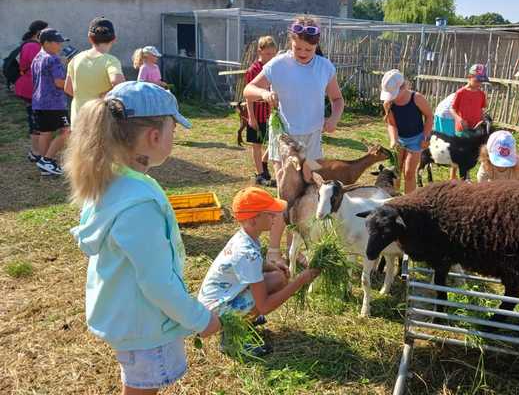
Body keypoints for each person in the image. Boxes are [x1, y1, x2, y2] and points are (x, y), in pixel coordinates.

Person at [66, 81, 220, 394]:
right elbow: (157, 282)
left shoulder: (110, 180)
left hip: (128, 315)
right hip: (146, 325)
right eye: (173, 131)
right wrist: (200, 319)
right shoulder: (139, 203)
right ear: (153, 136)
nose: (173, 138)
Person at [243, 15, 344, 263]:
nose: (302, 52)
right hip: (285, 140)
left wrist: (333, 119)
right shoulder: (278, 64)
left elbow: (337, 100)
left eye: (308, 49)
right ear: (291, 40)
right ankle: (275, 252)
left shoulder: (324, 67)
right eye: (297, 47)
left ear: (316, 45)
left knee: (309, 195)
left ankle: (297, 251)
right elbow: (248, 90)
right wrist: (265, 94)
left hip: (312, 139)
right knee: (285, 198)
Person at [197, 187, 319, 355]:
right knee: (263, 296)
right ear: (253, 220)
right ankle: (232, 339)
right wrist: (300, 281)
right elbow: (265, 306)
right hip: (212, 316)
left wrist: (273, 266)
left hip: (218, 302)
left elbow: (256, 265)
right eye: (270, 213)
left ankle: (244, 320)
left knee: (278, 277)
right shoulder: (247, 254)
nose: (276, 216)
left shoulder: (246, 237)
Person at [65, 17, 125, 128]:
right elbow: (119, 83)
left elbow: (68, 88)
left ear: (90, 38)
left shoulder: (76, 59)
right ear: (114, 39)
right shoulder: (110, 60)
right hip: (100, 119)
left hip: (78, 119)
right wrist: (106, 95)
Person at [381, 69, 433, 194]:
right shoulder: (388, 103)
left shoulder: (417, 98)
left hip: (417, 140)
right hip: (399, 140)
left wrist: (426, 137)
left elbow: (430, 117)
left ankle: (408, 201)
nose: (391, 97)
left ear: (403, 87)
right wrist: (394, 139)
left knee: (409, 173)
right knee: (396, 171)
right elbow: (391, 124)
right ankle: (395, 199)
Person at [31, 29, 71, 176]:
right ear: (46, 43)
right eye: (57, 42)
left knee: (45, 133)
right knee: (67, 131)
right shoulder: (53, 59)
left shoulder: (37, 58)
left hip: (38, 102)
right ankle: (47, 159)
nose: (60, 45)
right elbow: (59, 82)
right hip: (54, 103)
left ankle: (45, 165)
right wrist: (73, 85)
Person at [244, 36, 278, 187]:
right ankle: (259, 175)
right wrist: (251, 117)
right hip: (256, 113)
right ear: (260, 51)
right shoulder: (254, 70)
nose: (271, 57)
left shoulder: (274, 69)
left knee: (274, 142)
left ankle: (264, 163)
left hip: (270, 113)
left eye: (273, 54)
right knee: (256, 145)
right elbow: (248, 96)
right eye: (267, 54)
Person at [15, 20, 48, 162]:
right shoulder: (32, 47)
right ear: (38, 33)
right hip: (32, 89)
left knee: (36, 120)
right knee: (36, 122)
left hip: (30, 88)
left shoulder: (32, 45)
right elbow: (41, 67)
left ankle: (37, 151)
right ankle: (36, 153)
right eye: (46, 31)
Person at [450, 64, 488, 137]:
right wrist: (459, 120)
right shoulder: (460, 93)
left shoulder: (481, 94)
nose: (479, 84)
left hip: (476, 129)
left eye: (481, 81)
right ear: (469, 77)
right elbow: (452, 109)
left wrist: (483, 120)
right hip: (462, 130)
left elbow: (481, 109)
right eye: (477, 81)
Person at [432, 92, 458, 179]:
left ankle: (434, 160)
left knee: (439, 139)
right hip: (447, 116)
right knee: (453, 145)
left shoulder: (463, 92)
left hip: (440, 112)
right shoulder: (464, 94)